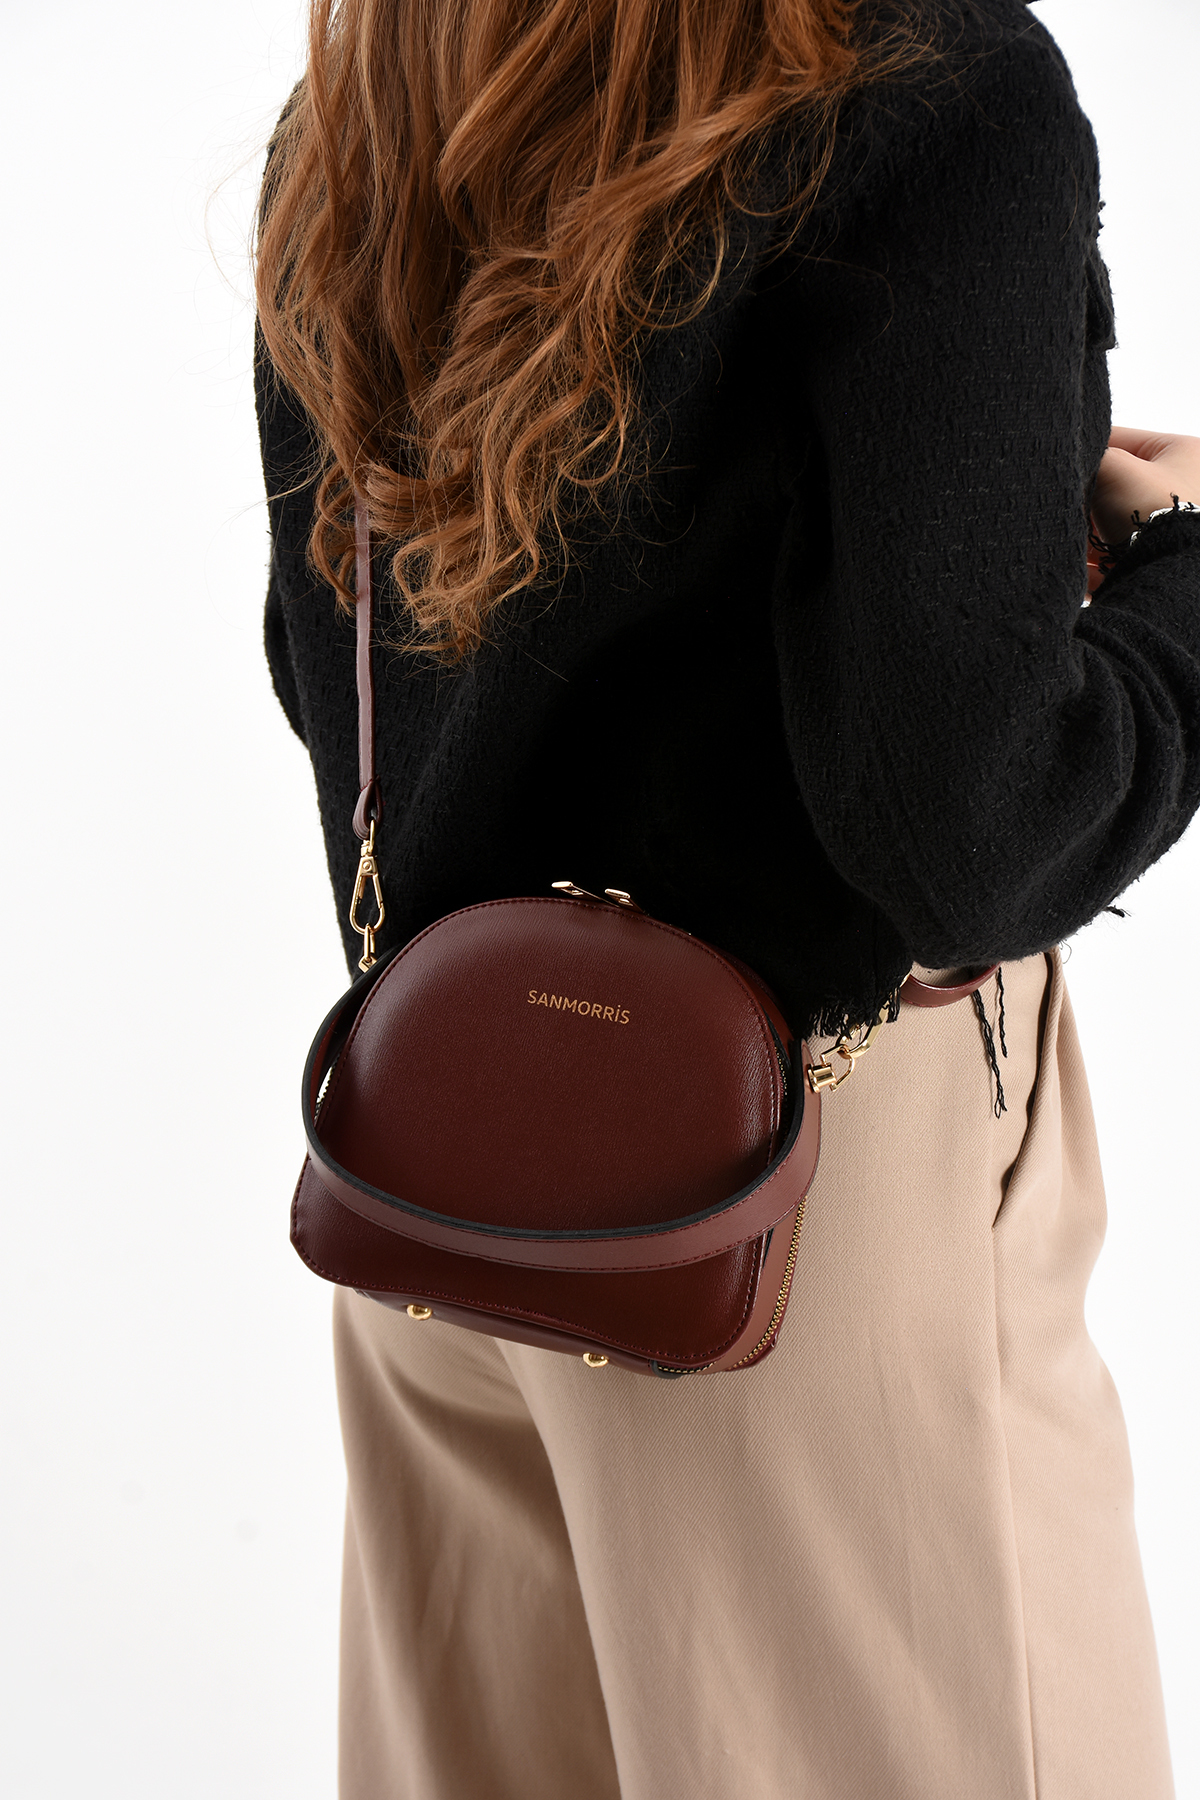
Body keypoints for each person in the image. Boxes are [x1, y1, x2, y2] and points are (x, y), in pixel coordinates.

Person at [254, 1, 1199, 1793]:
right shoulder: (936, 90)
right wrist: (1178, 588)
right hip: (795, 1193)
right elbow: (973, 837)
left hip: (442, 1164)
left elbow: (345, 652)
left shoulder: (394, 76)